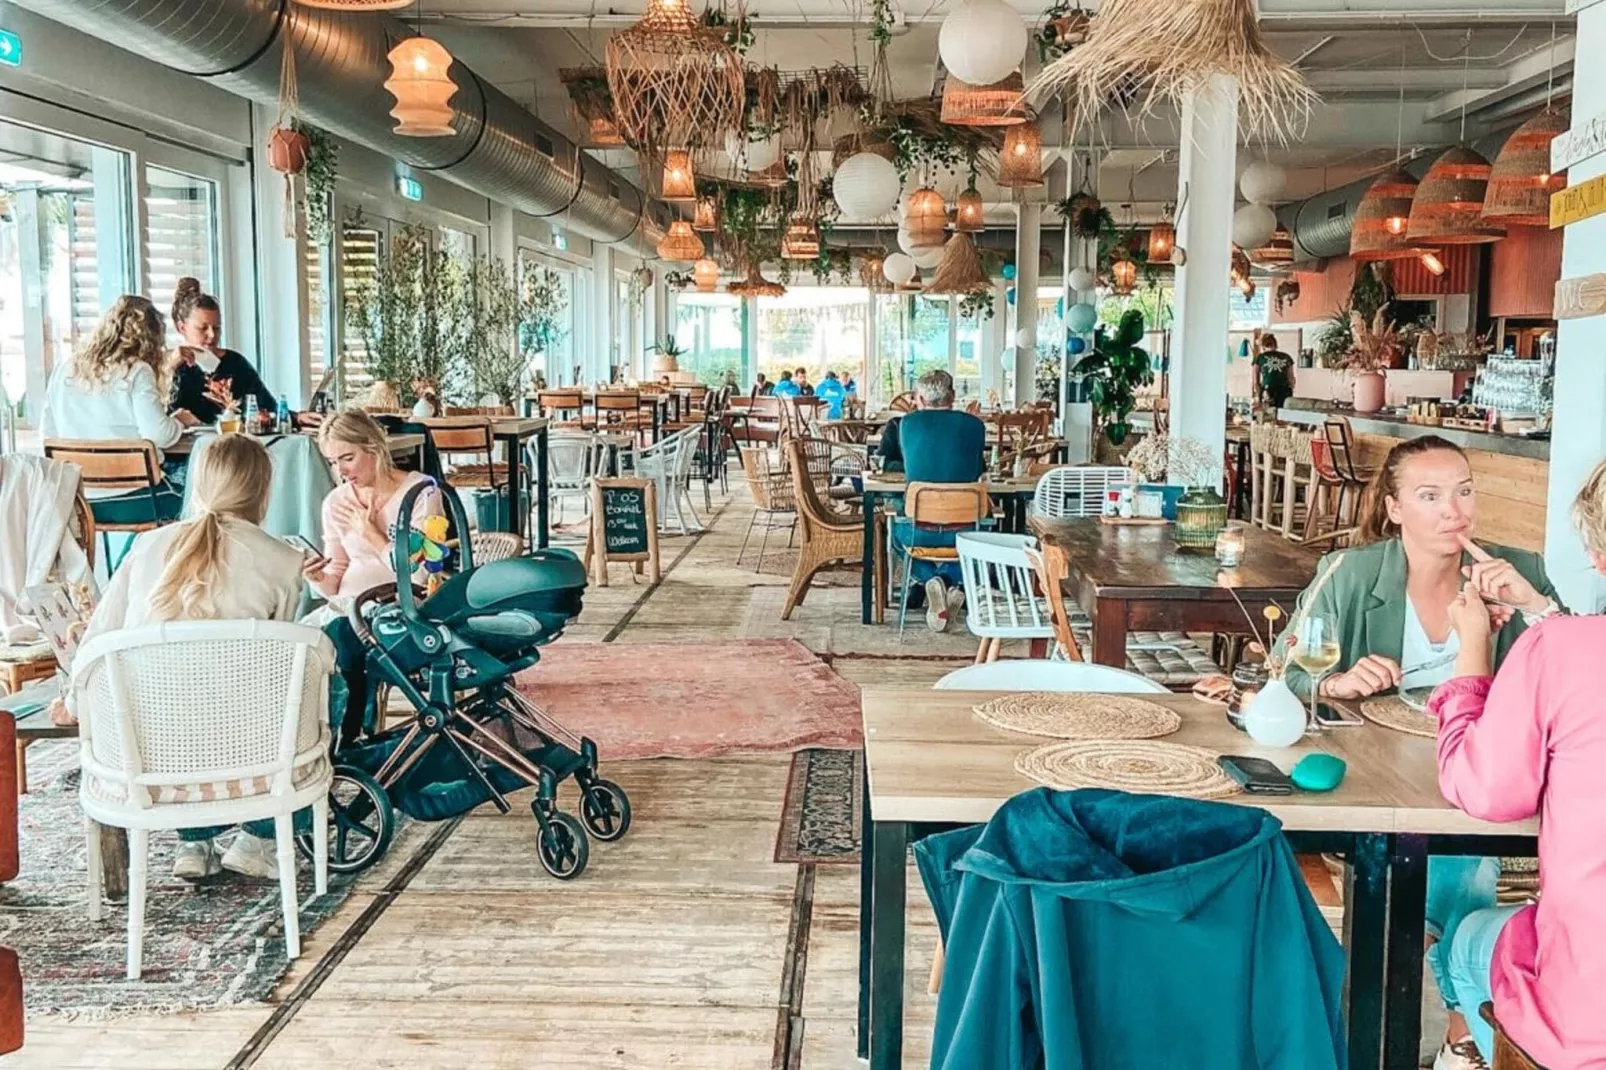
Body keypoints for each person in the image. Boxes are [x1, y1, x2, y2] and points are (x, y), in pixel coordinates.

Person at [1278, 435, 1562, 1070]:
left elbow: (1572, 671)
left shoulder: (1519, 571)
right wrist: (1334, 682)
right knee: (1464, 869)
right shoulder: (1354, 574)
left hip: (1479, 780)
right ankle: (1461, 1032)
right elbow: (1283, 669)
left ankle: (1427, 1018)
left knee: (1464, 851)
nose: (1452, 511)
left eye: (1463, 491)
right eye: (1429, 496)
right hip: (1375, 782)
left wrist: (1531, 606)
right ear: (1395, 507)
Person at [1430, 458, 1606, 1069]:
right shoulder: (1562, 644)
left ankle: (1466, 1052)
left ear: (1597, 554)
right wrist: (1542, 612)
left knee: (1467, 939)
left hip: (1590, 1010)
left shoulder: (1560, 652)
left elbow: (1484, 789)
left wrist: (1473, 650)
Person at [76, 435, 309, 881]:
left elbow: (99, 636)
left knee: (181, 700)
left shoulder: (147, 547)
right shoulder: (283, 560)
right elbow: (281, 663)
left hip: (151, 757)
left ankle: (193, 841)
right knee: (311, 684)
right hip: (248, 757)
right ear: (263, 490)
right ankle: (259, 838)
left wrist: (74, 699)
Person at [304, 410, 444, 742]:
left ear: (374, 447)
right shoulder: (336, 502)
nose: (341, 471)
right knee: (293, 644)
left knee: (343, 636)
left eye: (347, 458)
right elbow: (336, 577)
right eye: (333, 462)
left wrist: (372, 535)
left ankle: (350, 739)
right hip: (346, 605)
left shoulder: (421, 492)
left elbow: (420, 573)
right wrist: (315, 577)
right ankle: (313, 742)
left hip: (401, 608)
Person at [41, 295, 198, 526]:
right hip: (135, 499)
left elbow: (47, 435)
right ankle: (131, 562)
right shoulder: (136, 371)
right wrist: (181, 421)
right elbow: (159, 435)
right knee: (201, 499)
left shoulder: (64, 369)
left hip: (78, 500)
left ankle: (126, 563)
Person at [885, 369, 988, 632]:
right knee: (987, 538)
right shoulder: (975, 426)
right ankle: (951, 580)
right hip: (967, 532)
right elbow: (978, 470)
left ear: (919, 396)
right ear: (952, 396)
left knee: (894, 534)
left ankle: (932, 578)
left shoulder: (907, 424)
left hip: (918, 531)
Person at [168, 278, 300, 428]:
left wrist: (297, 417)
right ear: (182, 328)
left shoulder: (235, 363)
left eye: (217, 328)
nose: (212, 335)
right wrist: (169, 368)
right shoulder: (169, 367)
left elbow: (268, 407)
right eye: (202, 328)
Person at [1253, 333, 1295, 413]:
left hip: (1267, 390)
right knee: (1283, 416)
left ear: (1263, 346)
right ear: (1275, 344)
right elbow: (1291, 380)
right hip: (1284, 390)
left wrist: (1258, 397)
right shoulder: (1286, 357)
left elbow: (1256, 381)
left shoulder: (1260, 357)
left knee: (1267, 417)